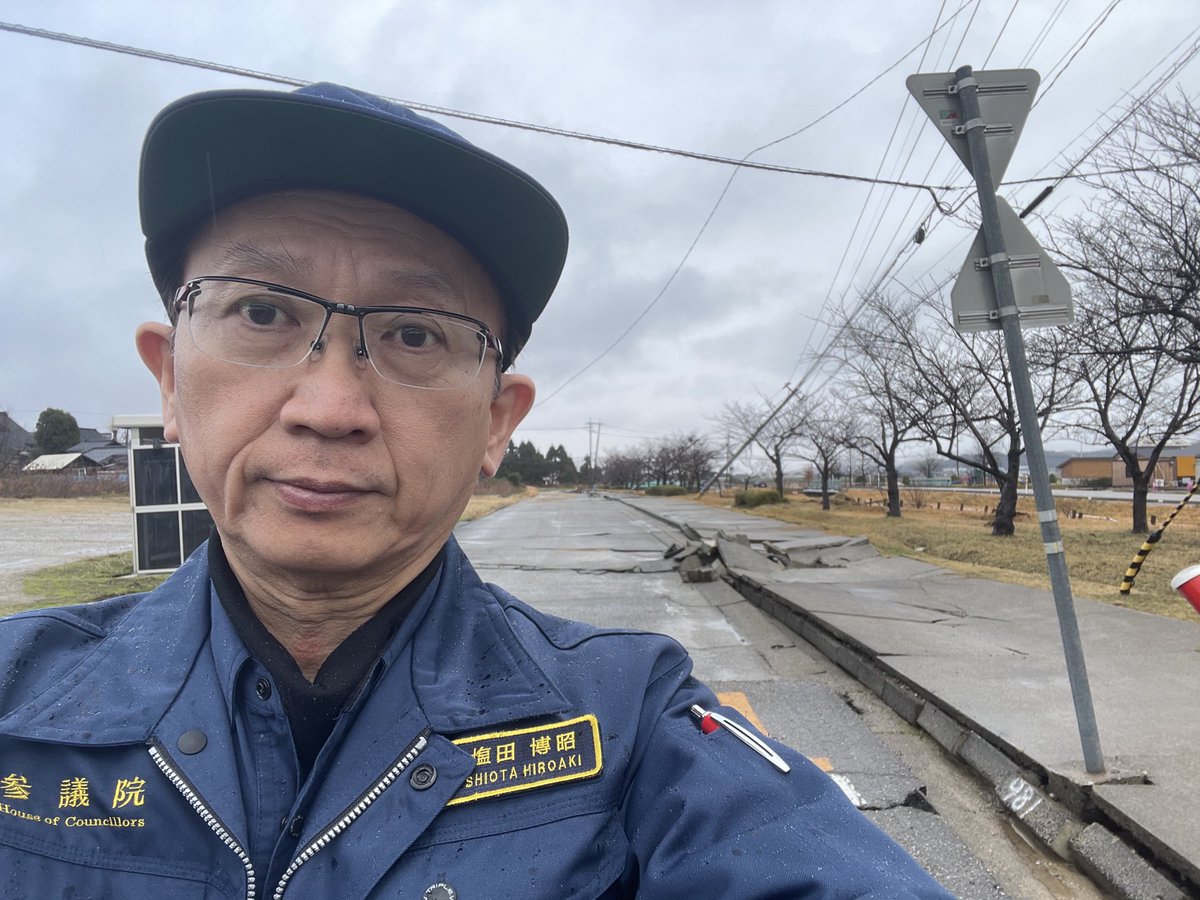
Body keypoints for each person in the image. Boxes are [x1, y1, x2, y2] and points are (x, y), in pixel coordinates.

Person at [0, 82, 953, 898]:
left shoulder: (629, 720)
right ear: (169, 378)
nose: (329, 408)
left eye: (415, 334)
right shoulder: (17, 695)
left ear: (497, 421)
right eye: (261, 311)